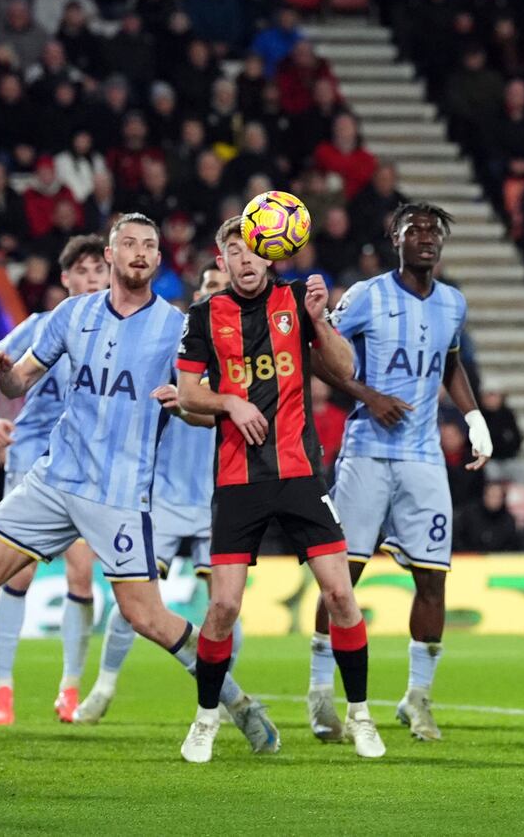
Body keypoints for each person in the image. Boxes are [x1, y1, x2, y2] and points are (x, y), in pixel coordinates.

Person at [0, 215, 278, 756]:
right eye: (129, 244)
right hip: (53, 479)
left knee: (147, 618)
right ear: (112, 255)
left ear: (158, 261)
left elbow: (205, 412)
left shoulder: (177, 328)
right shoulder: (73, 313)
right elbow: (22, 379)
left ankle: (237, 702)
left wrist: (187, 404)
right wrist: (1, 374)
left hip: (119, 495)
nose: (139, 253)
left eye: (150, 246)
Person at [176, 216, 386, 761]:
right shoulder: (203, 316)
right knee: (221, 608)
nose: (245, 262)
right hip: (237, 480)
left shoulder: (297, 301)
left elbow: (343, 367)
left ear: (271, 254)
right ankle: (205, 720)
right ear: (221, 262)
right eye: (233, 254)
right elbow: (187, 393)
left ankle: (361, 715)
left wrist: (320, 321)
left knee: (341, 595)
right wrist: (231, 402)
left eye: (253, 252)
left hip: (299, 474)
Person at [306, 202, 492, 743]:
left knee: (433, 580)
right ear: (397, 239)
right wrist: (368, 395)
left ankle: (418, 698)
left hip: (423, 457)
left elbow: (450, 362)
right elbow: (321, 352)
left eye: (435, 232)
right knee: (344, 580)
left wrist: (474, 417)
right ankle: (320, 693)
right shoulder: (367, 296)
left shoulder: (452, 303)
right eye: (416, 231)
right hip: (365, 452)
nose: (427, 239)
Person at [72, 263, 237, 725]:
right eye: (208, 287)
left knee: (224, 605)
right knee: (134, 602)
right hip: (160, 496)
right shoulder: (172, 345)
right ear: (197, 296)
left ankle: (222, 694)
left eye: (222, 288)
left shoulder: (242, 357)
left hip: (218, 497)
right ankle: (103, 687)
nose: (214, 294)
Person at [0, 235, 109, 725]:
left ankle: (70, 687)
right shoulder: (43, 326)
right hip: (31, 456)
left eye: (98, 271)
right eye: (81, 272)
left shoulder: (121, 331)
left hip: (87, 464)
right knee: (17, 573)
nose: (91, 279)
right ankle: (1, 685)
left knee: (81, 574)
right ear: (65, 279)